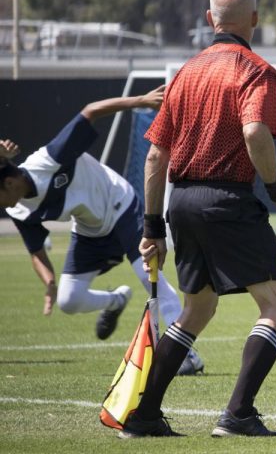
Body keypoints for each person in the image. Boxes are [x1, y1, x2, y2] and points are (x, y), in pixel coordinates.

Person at [123, 0, 276, 438]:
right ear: (255, 21)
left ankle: (144, 415)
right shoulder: (256, 70)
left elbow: (155, 156)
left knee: (197, 309)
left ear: (210, 20)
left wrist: (151, 227)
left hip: (181, 202)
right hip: (226, 199)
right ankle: (238, 414)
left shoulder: (185, 72)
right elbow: (254, 133)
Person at [0, 93, 205, 376]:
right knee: (69, 300)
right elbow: (36, 251)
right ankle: (116, 300)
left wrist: (142, 100)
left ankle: (186, 356)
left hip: (120, 205)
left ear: (9, 183)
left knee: (150, 278)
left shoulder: (48, 161)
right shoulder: (19, 210)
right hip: (89, 229)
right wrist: (49, 281)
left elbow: (90, 110)